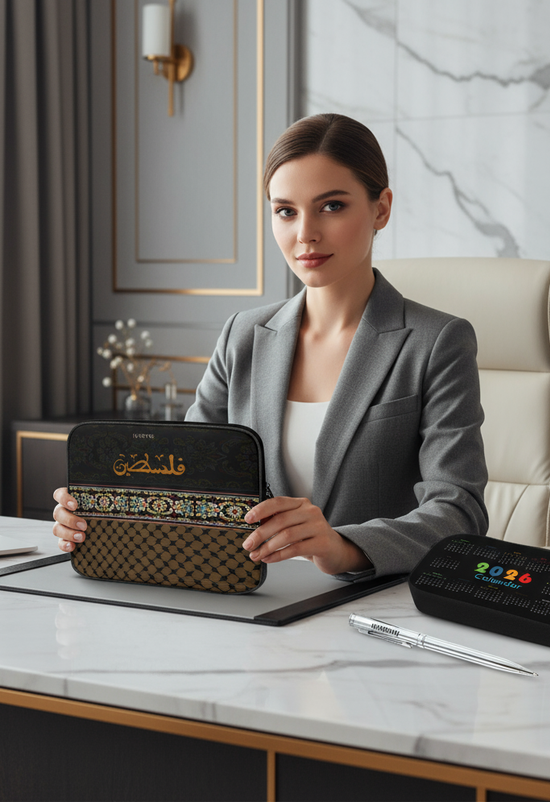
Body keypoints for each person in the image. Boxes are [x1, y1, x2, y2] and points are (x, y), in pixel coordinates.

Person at [53, 113, 488, 580]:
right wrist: (100, 515)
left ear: (380, 208)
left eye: (332, 206)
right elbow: (190, 484)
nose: (305, 234)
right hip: (248, 598)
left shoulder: (436, 342)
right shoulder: (244, 334)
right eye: (286, 211)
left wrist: (342, 547)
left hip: (367, 605)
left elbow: (458, 511)